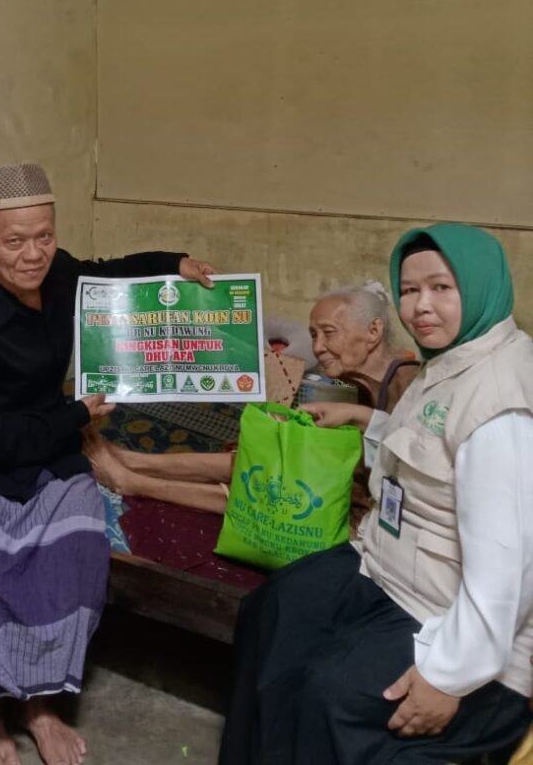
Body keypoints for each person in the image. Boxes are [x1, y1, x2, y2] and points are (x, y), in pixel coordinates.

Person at [219, 223, 533, 765]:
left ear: (482, 286)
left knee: (328, 691)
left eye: (441, 287)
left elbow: (508, 572)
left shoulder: (501, 403)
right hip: (388, 570)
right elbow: (432, 447)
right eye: (409, 290)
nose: (421, 306)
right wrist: (362, 419)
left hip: (450, 617)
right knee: (273, 609)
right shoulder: (452, 360)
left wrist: (446, 677)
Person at [0, 164, 214, 765]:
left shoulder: (60, 272)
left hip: (54, 448)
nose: (33, 254)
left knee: (77, 551)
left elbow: (107, 274)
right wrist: (74, 415)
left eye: (44, 236)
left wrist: (176, 264)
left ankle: (41, 705)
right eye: (15, 241)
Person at [83, 282, 417, 520]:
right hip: (336, 488)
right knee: (261, 452)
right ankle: (137, 461)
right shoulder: (358, 384)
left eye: (329, 333)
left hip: (355, 519)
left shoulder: (408, 385)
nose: (317, 348)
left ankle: (132, 480)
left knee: (264, 483)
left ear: (373, 332)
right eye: (314, 335)